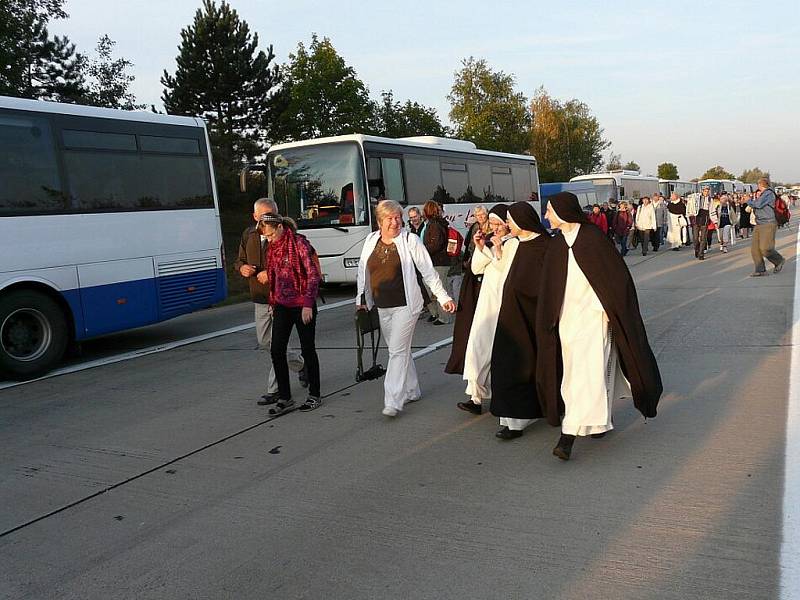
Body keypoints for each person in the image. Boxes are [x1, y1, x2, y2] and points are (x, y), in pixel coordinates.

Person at [536, 192, 662, 461]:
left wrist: (608, 310)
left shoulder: (593, 239)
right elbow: (549, 286)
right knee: (573, 376)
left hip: (594, 319)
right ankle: (598, 420)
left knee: (587, 374)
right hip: (567, 321)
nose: (546, 216)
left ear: (562, 211)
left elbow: (616, 280)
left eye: (549, 211)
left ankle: (568, 436)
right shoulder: (557, 245)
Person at [356, 200, 455, 417]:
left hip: (407, 305)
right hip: (382, 305)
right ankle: (412, 389)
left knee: (397, 351)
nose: (395, 222)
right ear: (380, 221)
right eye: (390, 218)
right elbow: (363, 270)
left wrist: (443, 296)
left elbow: (428, 271)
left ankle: (393, 400)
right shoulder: (371, 240)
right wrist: (361, 297)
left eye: (397, 217)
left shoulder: (410, 240)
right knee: (400, 349)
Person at [234, 198, 305, 406]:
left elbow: (294, 266)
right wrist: (241, 268)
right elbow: (239, 260)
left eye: (272, 215)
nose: (268, 220)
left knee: (277, 345)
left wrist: (271, 274)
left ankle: (275, 390)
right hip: (260, 297)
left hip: (282, 298)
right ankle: (300, 365)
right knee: (265, 341)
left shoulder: (286, 236)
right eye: (263, 215)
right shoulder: (249, 235)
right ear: (255, 217)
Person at [489, 202, 551, 439]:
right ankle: (511, 418)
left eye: (511, 221)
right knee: (507, 365)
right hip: (511, 317)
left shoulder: (545, 246)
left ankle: (523, 417)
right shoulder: (516, 244)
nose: (508, 225)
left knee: (528, 366)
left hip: (532, 317)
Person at [257, 213, 322, 413]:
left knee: (307, 349)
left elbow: (312, 275)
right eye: (265, 237)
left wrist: (308, 304)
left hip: (302, 304)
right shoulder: (272, 248)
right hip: (282, 305)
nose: (268, 239)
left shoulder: (299, 244)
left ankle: (314, 395)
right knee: (277, 350)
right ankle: (285, 397)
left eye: (269, 234)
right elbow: (274, 276)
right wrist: (273, 300)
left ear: (278, 228)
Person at [458, 205, 513, 415]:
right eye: (492, 223)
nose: (495, 228)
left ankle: (498, 395)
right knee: (477, 348)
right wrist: (481, 247)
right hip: (486, 304)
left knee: (497, 353)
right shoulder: (491, 240)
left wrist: (497, 251)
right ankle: (475, 396)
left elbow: (508, 271)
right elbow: (476, 268)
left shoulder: (514, 243)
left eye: (499, 223)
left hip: (503, 305)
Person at [445, 205, 490, 375]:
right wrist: (466, 261)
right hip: (473, 265)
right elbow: (468, 245)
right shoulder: (474, 227)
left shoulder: (491, 227)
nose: (479, 217)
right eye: (477, 214)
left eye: (481, 214)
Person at [421, 201, 453, 325]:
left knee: (440, 288)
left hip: (439, 261)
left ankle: (444, 317)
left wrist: (423, 251)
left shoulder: (434, 225)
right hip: (437, 261)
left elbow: (436, 244)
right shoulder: (436, 224)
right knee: (432, 288)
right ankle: (437, 313)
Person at [747, 178, 786, 277]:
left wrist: (748, 201)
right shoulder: (762, 194)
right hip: (759, 223)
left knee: (765, 248)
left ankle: (779, 260)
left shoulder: (768, 193)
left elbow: (758, 205)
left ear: (760, 185)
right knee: (755, 249)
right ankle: (760, 270)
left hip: (768, 223)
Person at [694, 186, 713, 260]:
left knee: (703, 238)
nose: (706, 192)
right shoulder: (697, 198)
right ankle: (696, 249)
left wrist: (715, 221)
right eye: (705, 191)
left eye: (707, 191)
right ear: (702, 191)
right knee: (695, 238)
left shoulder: (710, 199)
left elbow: (711, 210)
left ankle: (701, 253)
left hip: (705, 218)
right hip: (697, 218)